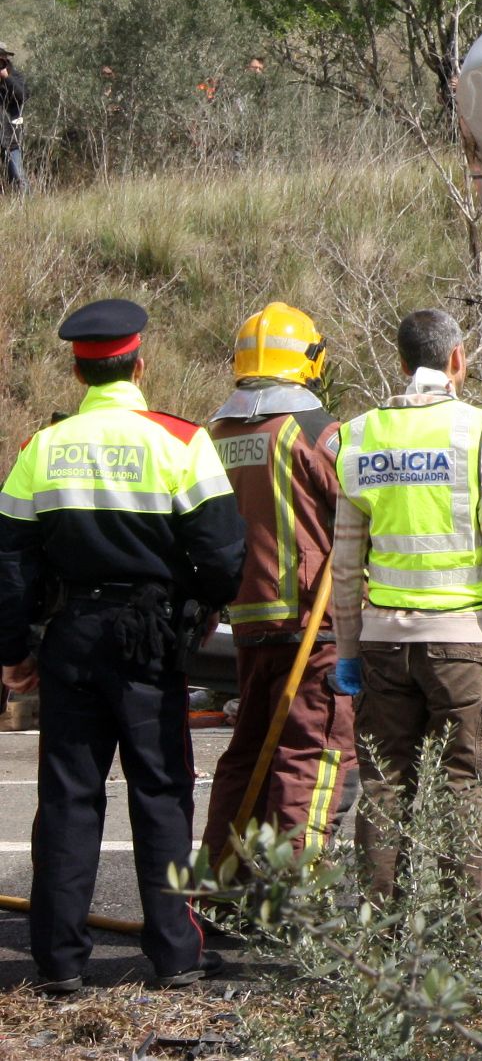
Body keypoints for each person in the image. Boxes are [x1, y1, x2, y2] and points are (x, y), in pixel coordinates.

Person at [0, 299, 242, 995]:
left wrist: (14, 647)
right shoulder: (180, 441)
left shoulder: (40, 449)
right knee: (161, 793)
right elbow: (225, 556)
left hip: (72, 636)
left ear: (78, 369)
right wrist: (193, 608)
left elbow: (9, 562)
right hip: (148, 638)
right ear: (141, 363)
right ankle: (174, 955)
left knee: (70, 797)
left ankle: (59, 961)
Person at [331, 308, 482, 899]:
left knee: (383, 787)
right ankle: (464, 941)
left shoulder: (359, 435)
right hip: (464, 646)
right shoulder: (480, 432)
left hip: (383, 644)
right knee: (463, 786)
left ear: (401, 363)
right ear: (457, 360)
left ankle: (379, 937)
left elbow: (346, 563)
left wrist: (348, 649)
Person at [199, 303, 355, 877]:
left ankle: (223, 879)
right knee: (308, 757)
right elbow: (359, 513)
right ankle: (290, 890)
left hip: (248, 621)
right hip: (313, 624)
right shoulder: (314, 433)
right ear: (311, 363)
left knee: (247, 756)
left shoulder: (214, 435)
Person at [0, 46, 29, 190]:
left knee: (18, 177)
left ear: (6, 58)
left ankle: (28, 206)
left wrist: (6, 78)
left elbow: (23, 96)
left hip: (10, 138)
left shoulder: (15, 77)